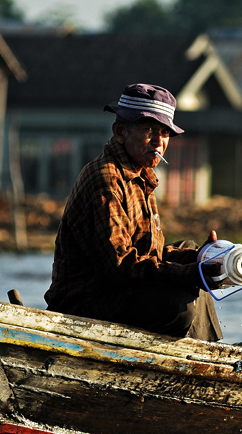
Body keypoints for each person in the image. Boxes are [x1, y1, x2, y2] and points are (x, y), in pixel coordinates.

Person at [44, 83, 223, 341]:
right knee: (179, 304)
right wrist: (187, 275)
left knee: (195, 258)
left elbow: (151, 252)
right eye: (149, 129)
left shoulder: (142, 176)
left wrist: (200, 259)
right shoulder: (105, 179)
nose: (159, 141)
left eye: (164, 133)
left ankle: (208, 352)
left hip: (119, 288)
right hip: (84, 300)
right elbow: (120, 266)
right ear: (120, 132)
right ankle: (191, 356)